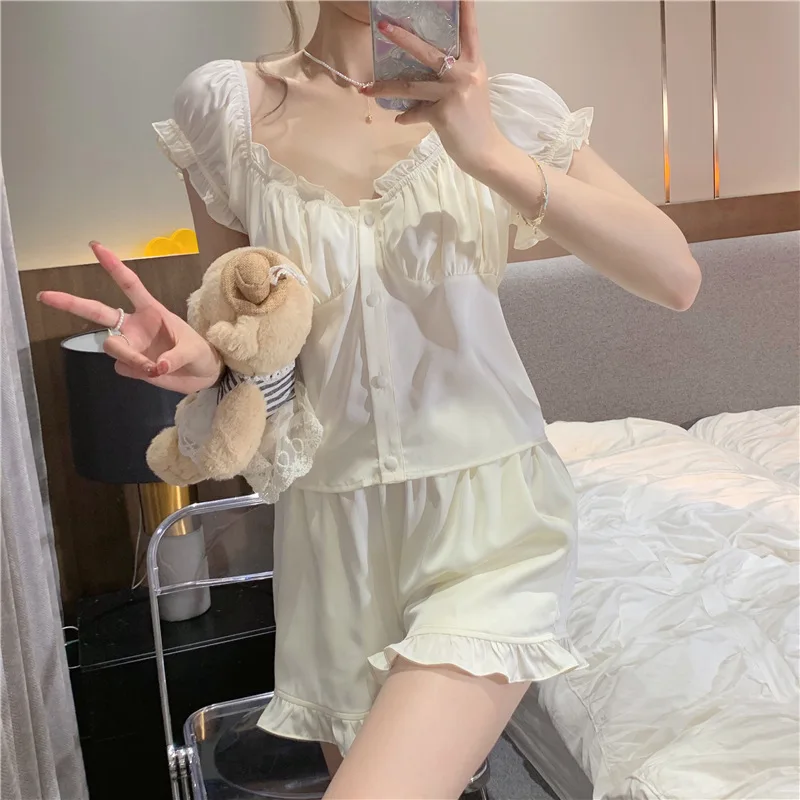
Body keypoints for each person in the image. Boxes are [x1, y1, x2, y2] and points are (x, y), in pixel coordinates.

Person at [40, 2, 701, 796]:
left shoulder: (502, 108)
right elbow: (254, 338)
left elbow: (676, 277)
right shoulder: (229, 110)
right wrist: (205, 363)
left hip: (490, 522)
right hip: (330, 539)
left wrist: (488, 152)